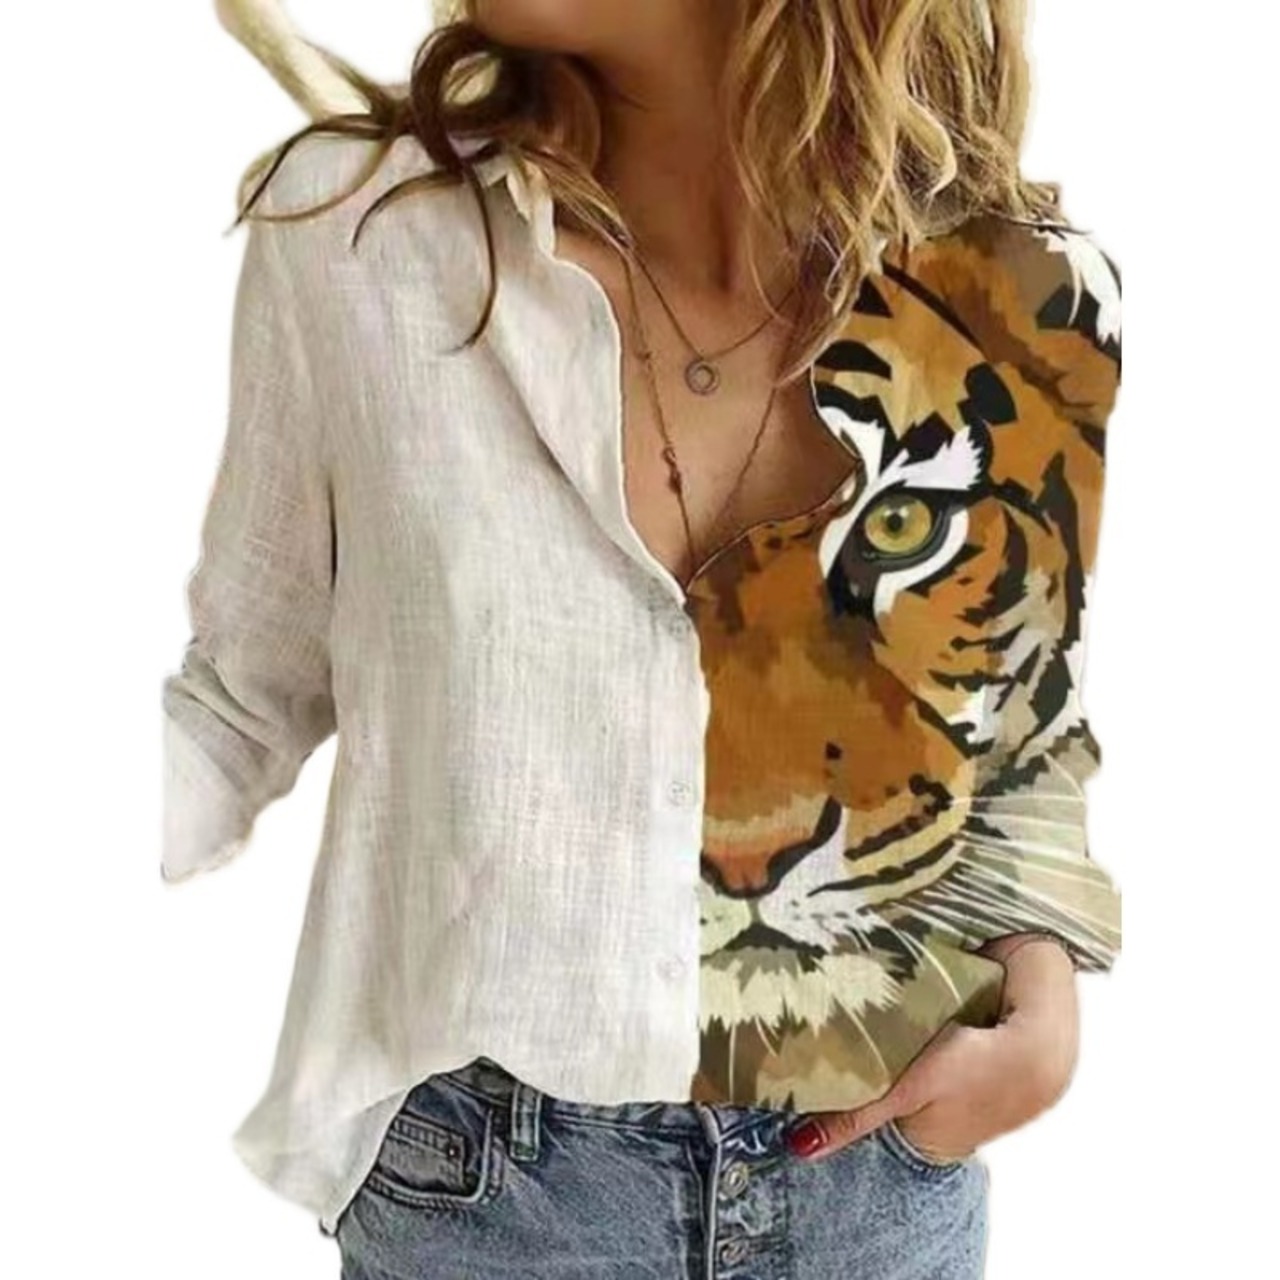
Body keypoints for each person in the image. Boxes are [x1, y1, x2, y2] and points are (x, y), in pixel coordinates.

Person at [161, 2, 1123, 1275]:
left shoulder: (1018, 288)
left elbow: (1015, 740)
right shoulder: (358, 231)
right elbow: (236, 698)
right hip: (489, 1196)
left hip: (877, 1183)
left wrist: (1041, 1003)